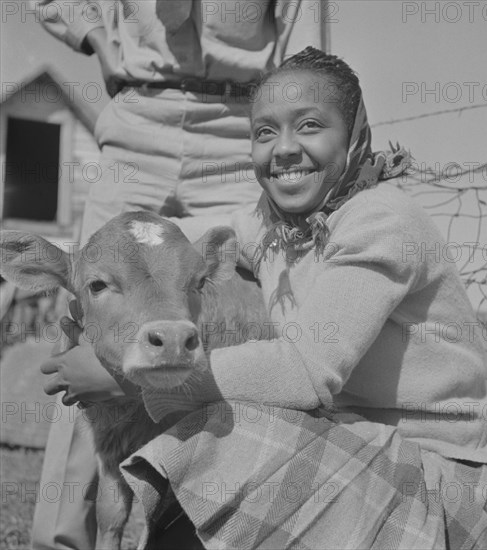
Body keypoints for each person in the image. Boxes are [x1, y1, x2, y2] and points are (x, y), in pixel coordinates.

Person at [134, 47, 487, 548]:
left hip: (441, 478)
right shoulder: (276, 226)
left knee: (220, 430)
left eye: (310, 125)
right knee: (206, 456)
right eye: (264, 132)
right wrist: (97, 253)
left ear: (355, 134)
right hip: (354, 446)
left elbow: (306, 371)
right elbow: (171, 238)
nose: (284, 148)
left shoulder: (381, 220)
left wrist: (143, 380)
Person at [30, 1, 322, 548]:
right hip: (139, 115)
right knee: (90, 336)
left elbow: (305, 28)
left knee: (241, 321)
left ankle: (211, 533)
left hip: (237, 133)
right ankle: (65, 541)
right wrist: (96, 35)